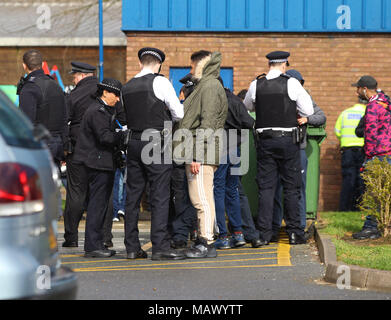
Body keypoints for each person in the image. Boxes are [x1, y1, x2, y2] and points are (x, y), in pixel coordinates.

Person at [243, 51, 314, 245]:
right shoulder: (291, 83)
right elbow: (308, 111)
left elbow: (247, 106)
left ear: (269, 64)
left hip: (265, 141)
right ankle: (294, 233)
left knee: (266, 188)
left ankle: (265, 234)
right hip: (288, 140)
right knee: (291, 187)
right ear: (284, 65)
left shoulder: (256, 84)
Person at [122, 47, 185, 260]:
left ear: (140, 63)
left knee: (132, 196)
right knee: (159, 194)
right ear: (158, 65)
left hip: (133, 142)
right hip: (156, 142)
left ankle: (132, 247)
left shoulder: (127, 86)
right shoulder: (161, 82)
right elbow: (179, 113)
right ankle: (160, 247)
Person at [174, 50, 228, 258]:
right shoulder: (207, 86)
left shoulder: (209, 86)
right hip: (200, 150)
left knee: (201, 199)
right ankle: (205, 239)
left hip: (201, 152)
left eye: (191, 67)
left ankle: (206, 241)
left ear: (200, 66)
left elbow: (207, 122)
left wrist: (196, 155)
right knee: (203, 198)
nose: (190, 71)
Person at [73, 78, 128, 258]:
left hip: (101, 162)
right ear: (105, 92)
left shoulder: (102, 109)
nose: (118, 100)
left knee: (101, 205)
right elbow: (104, 137)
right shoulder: (98, 111)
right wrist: (123, 136)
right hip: (97, 164)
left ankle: (96, 244)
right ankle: (92, 246)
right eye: (116, 95)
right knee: (97, 206)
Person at [272, 69, 326, 241]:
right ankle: (277, 226)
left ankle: (298, 225)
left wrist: (306, 119)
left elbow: (320, 117)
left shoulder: (305, 98)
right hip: (280, 149)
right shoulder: (276, 98)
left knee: (297, 188)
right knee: (277, 188)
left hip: (297, 149)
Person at [213, 78, 255, 249]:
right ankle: (238, 234)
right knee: (233, 191)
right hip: (235, 150)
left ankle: (223, 235)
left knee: (218, 190)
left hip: (219, 148)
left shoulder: (213, 100)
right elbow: (249, 123)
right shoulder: (235, 101)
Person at [62, 61, 98, 248]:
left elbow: (65, 123)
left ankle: (71, 237)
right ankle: (103, 237)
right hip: (101, 151)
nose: (74, 79)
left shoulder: (73, 95)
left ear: (83, 75)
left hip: (77, 151)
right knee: (101, 195)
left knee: (76, 193)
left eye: (75, 76)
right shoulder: (105, 91)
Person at [351, 75, 391, 240]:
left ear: (365, 89)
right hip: (388, 153)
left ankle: (370, 228)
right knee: (384, 194)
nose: (356, 92)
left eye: (358, 88)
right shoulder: (386, 102)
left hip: (378, 155)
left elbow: (371, 135)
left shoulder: (373, 106)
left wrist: (367, 157)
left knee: (372, 193)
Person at [17, 49, 68, 171]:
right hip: (57, 145)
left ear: (24, 65)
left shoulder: (29, 88)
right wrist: (65, 146)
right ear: (42, 64)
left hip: (39, 146)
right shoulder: (55, 85)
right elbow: (64, 117)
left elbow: (26, 122)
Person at [168, 74, 197, 249]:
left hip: (180, 159)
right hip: (194, 159)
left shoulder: (179, 109)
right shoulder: (200, 107)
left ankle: (180, 234)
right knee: (194, 197)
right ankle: (192, 229)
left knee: (181, 197)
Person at [334, 91, 366, 212]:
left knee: (348, 179)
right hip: (363, 150)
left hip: (347, 150)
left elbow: (337, 131)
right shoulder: (367, 113)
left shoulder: (345, 113)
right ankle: (359, 209)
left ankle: (344, 209)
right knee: (361, 179)